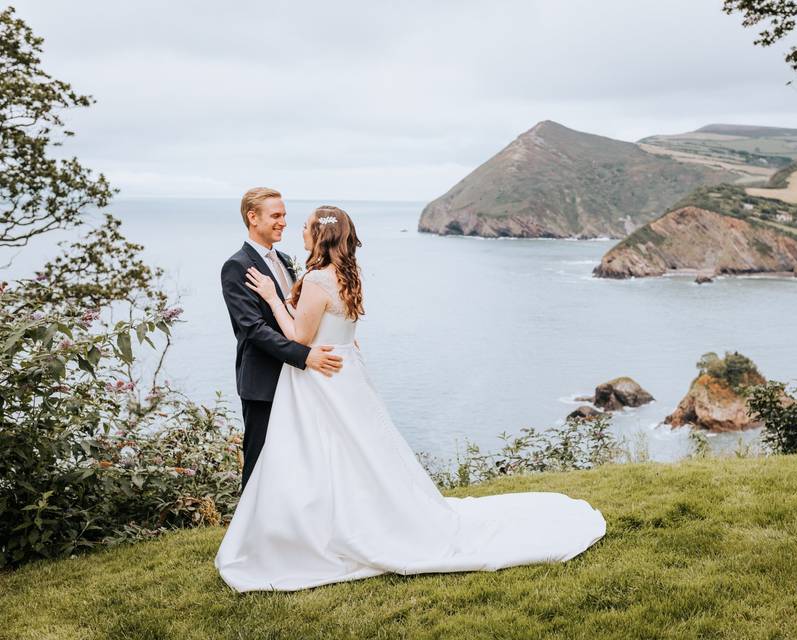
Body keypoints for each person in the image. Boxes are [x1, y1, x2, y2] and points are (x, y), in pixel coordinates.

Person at [214, 204, 606, 592]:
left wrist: (272, 298)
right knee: (354, 453)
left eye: (304, 226)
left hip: (322, 376)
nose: (297, 230)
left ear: (320, 236)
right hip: (345, 373)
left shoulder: (317, 279)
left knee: (324, 454)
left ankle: (319, 530)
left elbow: (299, 337)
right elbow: (334, 329)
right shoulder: (348, 274)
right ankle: (328, 522)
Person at [220, 187, 344, 491]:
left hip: (300, 382)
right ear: (253, 217)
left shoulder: (288, 260)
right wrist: (305, 356)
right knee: (259, 461)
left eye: (285, 215)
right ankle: (247, 533)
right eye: (276, 215)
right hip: (264, 382)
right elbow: (253, 328)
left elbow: (304, 314)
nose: (283, 222)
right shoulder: (236, 266)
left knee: (297, 460)